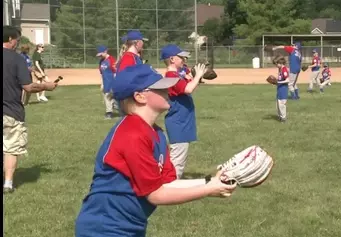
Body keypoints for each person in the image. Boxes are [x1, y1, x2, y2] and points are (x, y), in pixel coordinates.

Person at [74, 64, 236, 237]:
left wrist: (210, 181)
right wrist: (209, 190)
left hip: (130, 225)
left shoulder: (156, 133)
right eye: (160, 87)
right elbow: (156, 195)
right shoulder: (132, 133)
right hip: (104, 227)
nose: (168, 89)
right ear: (140, 96)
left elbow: (167, 183)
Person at [3, 26, 58, 193]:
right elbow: (27, 87)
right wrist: (46, 87)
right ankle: (8, 183)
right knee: (11, 147)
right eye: (17, 40)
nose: (17, 44)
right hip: (10, 110)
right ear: (11, 39)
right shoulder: (17, 59)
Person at [161, 44, 205, 179]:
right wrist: (197, 76)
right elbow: (188, 89)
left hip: (182, 121)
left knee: (179, 157)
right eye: (181, 57)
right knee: (177, 159)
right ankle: (171, 185)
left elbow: (188, 82)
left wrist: (195, 76)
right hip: (178, 122)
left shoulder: (177, 73)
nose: (184, 60)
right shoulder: (170, 76)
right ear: (172, 59)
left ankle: (171, 182)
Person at [96, 45, 116, 119]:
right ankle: (110, 111)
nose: (100, 56)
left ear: (105, 51)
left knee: (109, 96)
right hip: (105, 81)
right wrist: (102, 83)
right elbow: (102, 73)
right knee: (107, 96)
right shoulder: (101, 61)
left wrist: (114, 83)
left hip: (111, 81)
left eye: (101, 54)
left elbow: (115, 72)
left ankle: (109, 112)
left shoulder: (111, 59)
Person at [273, 56, 289, 123]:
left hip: (283, 90)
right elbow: (280, 79)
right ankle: (280, 116)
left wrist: (278, 82)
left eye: (276, 64)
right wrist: (275, 81)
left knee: (282, 105)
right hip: (279, 89)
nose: (276, 65)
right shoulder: (280, 69)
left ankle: (283, 118)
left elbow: (287, 80)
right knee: (278, 105)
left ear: (280, 63)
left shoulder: (284, 69)